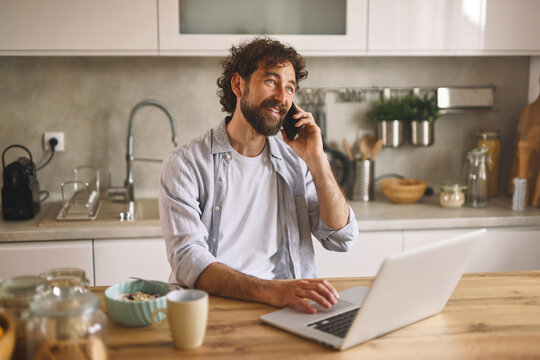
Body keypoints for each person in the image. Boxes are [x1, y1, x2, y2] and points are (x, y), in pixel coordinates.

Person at [159, 37, 358, 314]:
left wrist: (317, 159)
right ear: (239, 85)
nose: (283, 96)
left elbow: (341, 238)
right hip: (211, 308)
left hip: (287, 306)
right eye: (271, 82)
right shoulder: (185, 163)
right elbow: (187, 259)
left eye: (290, 88)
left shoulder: (297, 161)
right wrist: (272, 291)